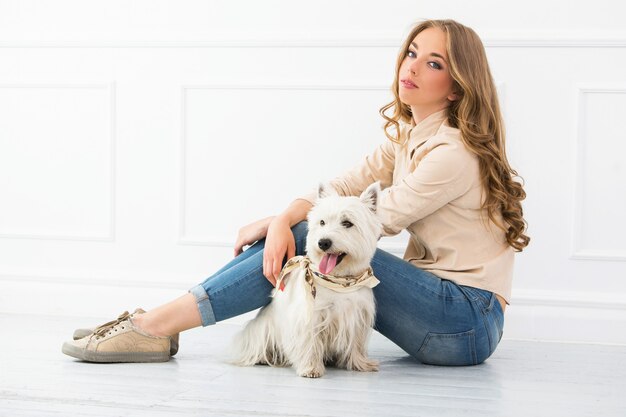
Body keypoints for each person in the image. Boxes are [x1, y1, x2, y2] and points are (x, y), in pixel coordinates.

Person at [62, 19, 529, 366]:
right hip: (445, 313)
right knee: (309, 229)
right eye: (411, 52)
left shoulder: (452, 152)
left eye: (434, 63)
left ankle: (155, 326)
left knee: (316, 235)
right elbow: (343, 186)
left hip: (463, 321)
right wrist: (284, 218)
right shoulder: (409, 136)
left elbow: (369, 223)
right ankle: (158, 325)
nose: (412, 67)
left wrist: (288, 226)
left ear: (455, 88)